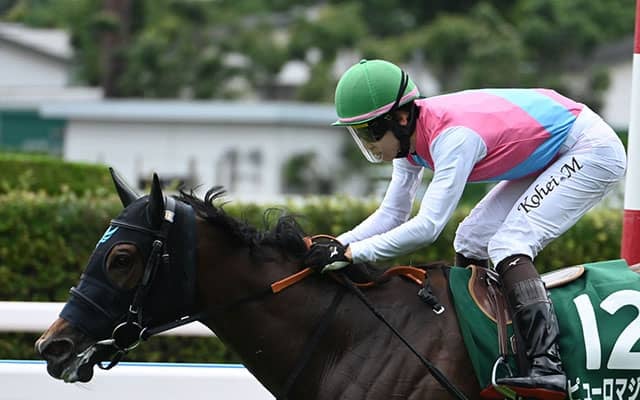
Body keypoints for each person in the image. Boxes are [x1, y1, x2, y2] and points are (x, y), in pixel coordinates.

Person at [303, 59, 626, 400]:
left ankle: (548, 367)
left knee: (509, 243)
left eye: (370, 132)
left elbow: (428, 227)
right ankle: (489, 349)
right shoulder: (407, 143)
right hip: (553, 151)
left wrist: (352, 253)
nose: (368, 144)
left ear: (400, 118)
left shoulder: (453, 138)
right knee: (471, 238)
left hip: (590, 149)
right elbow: (393, 213)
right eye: (360, 134)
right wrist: (336, 244)